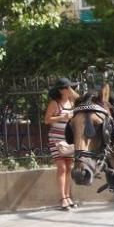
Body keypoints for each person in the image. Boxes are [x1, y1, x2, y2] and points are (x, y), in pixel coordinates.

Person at [45, 77, 79, 211]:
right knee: (62, 168)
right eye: (67, 87)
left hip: (69, 138)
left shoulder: (72, 102)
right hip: (56, 138)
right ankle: (63, 198)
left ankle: (68, 196)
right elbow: (47, 120)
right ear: (61, 90)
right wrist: (62, 117)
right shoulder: (55, 103)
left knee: (69, 167)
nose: (69, 89)